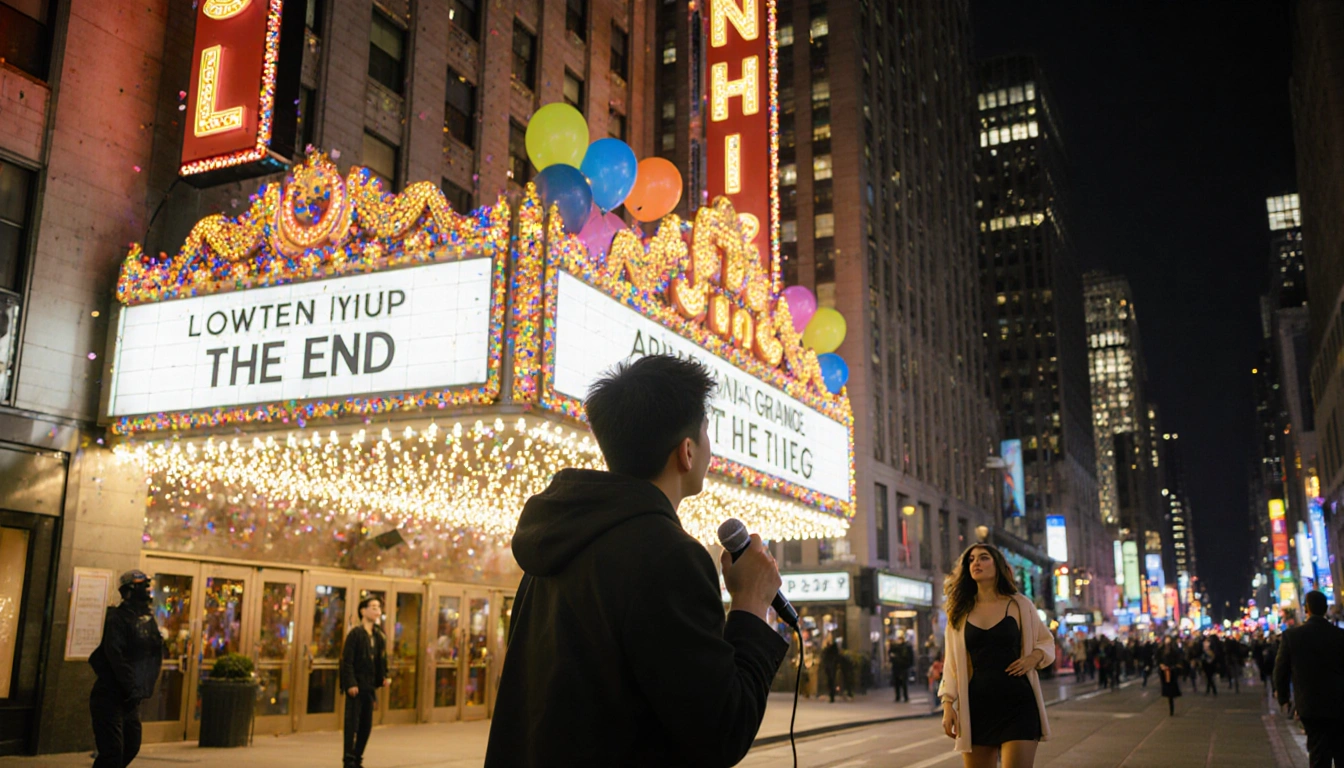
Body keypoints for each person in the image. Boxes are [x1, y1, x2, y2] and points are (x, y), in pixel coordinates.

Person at [485, 355, 789, 767]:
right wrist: (751, 605)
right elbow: (721, 731)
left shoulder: (559, 540)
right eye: (705, 432)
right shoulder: (670, 556)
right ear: (686, 452)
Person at [938, 544, 1053, 768]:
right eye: (971, 560)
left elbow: (1046, 640)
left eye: (983, 558)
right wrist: (947, 703)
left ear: (998, 565)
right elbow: (950, 663)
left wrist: (1034, 657)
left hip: (1018, 703)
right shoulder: (959, 612)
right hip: (977, 705)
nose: (976, 563)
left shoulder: (1019, 604)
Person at [89, 570, 163, 768]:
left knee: (131, 745)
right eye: (141, 587)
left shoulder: (147, 621)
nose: (146, 592)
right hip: (110, 695)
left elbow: (154, 654)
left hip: (131, 698)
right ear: (128, 591)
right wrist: (132, 685)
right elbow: (116, 656)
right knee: (112, 751)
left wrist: (145, 685)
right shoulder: (118, 619)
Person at [1274, 590, 1344, 768]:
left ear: (1307, 609)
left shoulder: (1292, 636)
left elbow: (1280, 670)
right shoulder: (1340, 635)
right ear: (1325, 609)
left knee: (1318, 753)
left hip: (1310, 705)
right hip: (1339, 704)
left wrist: (1284, 698)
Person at [340, 596, 390, 768]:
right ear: (363, 611)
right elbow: (347, 661)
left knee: (366, 725)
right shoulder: (355, 634)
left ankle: (358, 757)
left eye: (379, 607)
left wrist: (384, 676)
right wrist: (350, 683)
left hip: (369, 686)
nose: (377, 610)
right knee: (352, 724)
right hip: (357, 685)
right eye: (373, 607)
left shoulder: (379, 635)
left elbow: (381, 660)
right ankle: (348, 760)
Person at [1157, 636, 1184, 716]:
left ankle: (1171, 708)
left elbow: (1178, 660)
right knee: (1167, 689)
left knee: (1171, 690)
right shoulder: (1161, 650)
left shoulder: (1174, 650)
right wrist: (1161, 665)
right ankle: (1171, 706)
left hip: (1172, 672)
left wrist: (1174, 666)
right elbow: (1158, 659)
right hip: (1164, 672)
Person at [889, 633, 915, 702]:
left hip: (904, 667)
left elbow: (910, 657)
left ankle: (905, 697)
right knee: (897, 682)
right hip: (897, 667)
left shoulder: (906, 647)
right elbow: (891, 655)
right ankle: (898, 697)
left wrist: (910, 665)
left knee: (904, 683)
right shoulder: (895, 647)